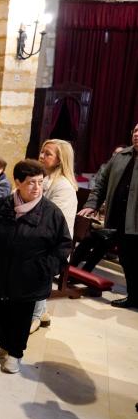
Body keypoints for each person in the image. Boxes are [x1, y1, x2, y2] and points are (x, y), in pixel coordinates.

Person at [0, 160, 72, 373]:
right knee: (2, 313)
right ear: (18, 182)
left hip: (30, 276)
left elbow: (63, 244)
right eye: (31, 182)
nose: (37, 188)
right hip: (1, 272)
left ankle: (15, 353)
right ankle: (4, 346)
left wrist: (46, 269)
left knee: (21, 317)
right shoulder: (1, 206)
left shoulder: (51, 212)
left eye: (40, 182)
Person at [79, 123, 138, 309]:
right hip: (122, 221)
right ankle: (134, 297)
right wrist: (92, 204)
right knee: (127, 260)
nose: (137, 134)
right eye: (135, 130)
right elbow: (101, 183)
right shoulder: (120, 156)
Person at [31, 139, 78, 332]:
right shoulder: (44, 178)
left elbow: (58, 224)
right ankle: (41, 312)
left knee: (35, 266)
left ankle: (34, 316)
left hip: (53, 246)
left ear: (60, 160)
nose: (41, 156)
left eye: (47, 154)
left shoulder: (63, 187)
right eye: (42, 152)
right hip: (38, 239)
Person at [69, 146, 124, 272]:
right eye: (114, 153)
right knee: (91, 238)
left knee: (103, 241)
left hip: (114, 217)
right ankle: (71, 268)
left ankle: (84, 271)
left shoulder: (125, 170)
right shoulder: (106, 167)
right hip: (100, 212)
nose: (116, 157)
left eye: (119, 154)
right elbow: (98, 186)